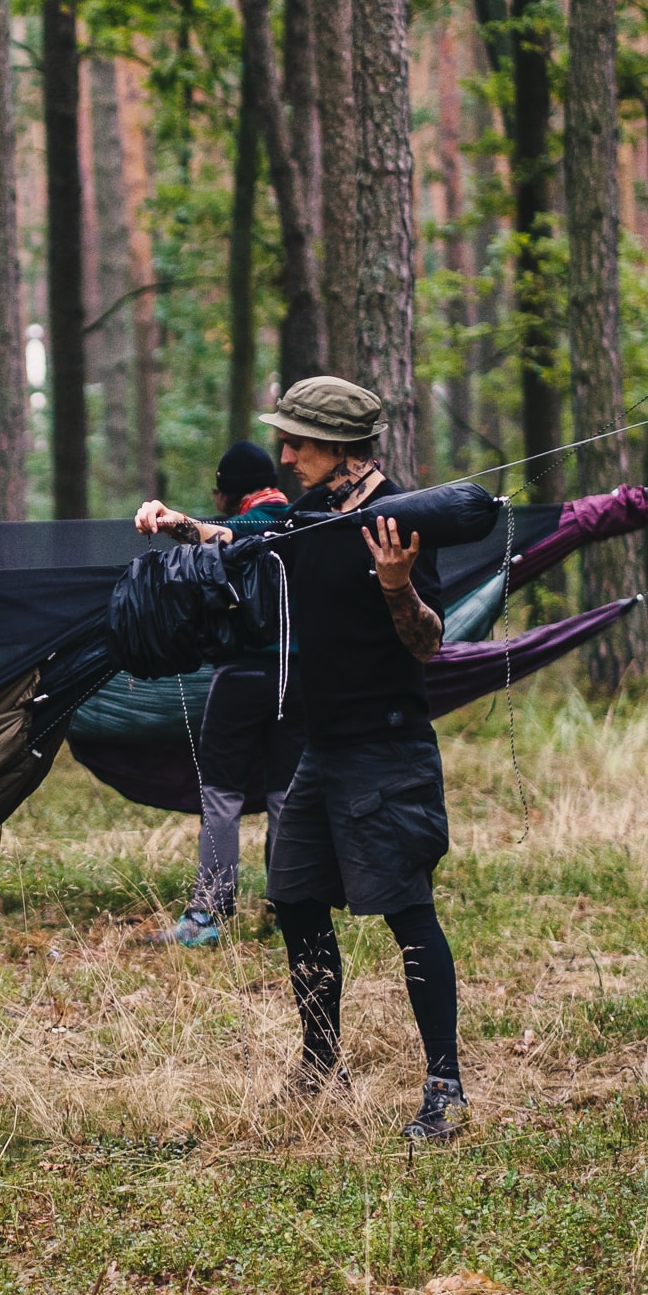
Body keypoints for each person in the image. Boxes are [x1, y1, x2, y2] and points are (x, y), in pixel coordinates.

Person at [252, 375, 469, 1143]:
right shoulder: (310, 516)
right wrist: (181, 527)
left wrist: (398, 587)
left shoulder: (398, 521)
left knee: (408, 911)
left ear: (339, 447)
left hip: (388, 750)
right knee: (295, 896)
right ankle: (321, 1066)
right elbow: (244, 539)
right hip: (324, 748)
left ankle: (445, 1090)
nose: (285, 456)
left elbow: (429, 642)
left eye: (296, 443)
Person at [131, 442, 298, 948]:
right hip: (298, 678)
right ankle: (290, 908)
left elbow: (224, 535)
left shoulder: (248, 526)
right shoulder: (305, 523)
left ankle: (206, 917)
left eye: (217, 490)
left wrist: (172, 520)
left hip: (242, 677)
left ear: (230, 491)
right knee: (286, 793)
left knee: (222, 793)